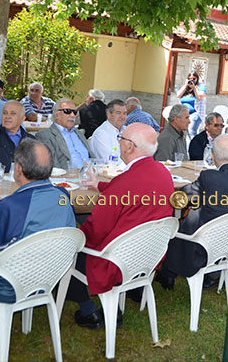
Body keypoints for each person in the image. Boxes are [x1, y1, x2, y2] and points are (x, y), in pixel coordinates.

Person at [0, 139, 76, 344]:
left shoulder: (11, 206)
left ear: (18, 169)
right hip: (50, 275)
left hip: (10, 284)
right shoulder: (62, 196)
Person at [72, 123, 175, 329]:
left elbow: (96, 229)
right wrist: (100, 186)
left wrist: (73, 238)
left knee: (69, 253)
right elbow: (130, 189)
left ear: (129, 147)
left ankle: (88, 309)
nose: (118, 142)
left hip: (116, 261)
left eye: (120, 138)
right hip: (148, 255)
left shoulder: (126, 181)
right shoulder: (161, 171)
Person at [156, 134, 228, 289]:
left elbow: (184, 196)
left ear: (213, 156)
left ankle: (168, 273)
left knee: (184, 222)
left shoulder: (209, 177)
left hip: (204, 244)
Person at [35, 98, 94, 170]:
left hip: (91, 175)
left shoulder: (79, 133)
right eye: (67, 111)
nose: (72, 115)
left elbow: (92, 158)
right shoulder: (45, 135)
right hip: (68, 178)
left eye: (75, 112)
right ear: (56, 114)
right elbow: (53, 168)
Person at [176, 71, 207, 139]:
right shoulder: (186, 87)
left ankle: (192, 148)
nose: (192, 80)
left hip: (195, 113)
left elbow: (200, 97)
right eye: (190, 78)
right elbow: (178, 95)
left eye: (194, 78)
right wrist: (185, 85)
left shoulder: (200, 86)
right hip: (184, 114)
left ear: (197, 79)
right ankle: (186, 148)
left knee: (191, 132)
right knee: (184, 133)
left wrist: (194, 88)